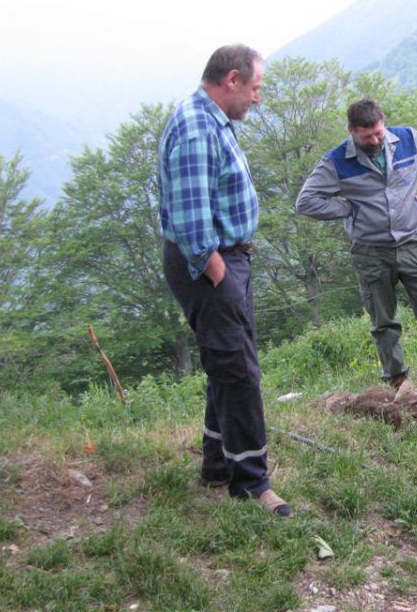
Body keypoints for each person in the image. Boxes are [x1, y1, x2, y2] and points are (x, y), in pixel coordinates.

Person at [158, 44, 291, 516]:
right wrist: (221, 275)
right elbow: (194, 228)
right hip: (210, 265)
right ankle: (251, 482)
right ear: (231, 79)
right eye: (255, 88)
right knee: (239, 370)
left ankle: (217, 462)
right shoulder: (197, 129)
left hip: (226, 259)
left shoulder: (214, 120)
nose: (258, 99)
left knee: (226, 358)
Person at [296, 98, 417, 392]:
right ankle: (397, 381)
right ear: (351, 131)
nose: (373, 140)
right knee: (384, 322)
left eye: (378, 133)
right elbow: (306, 201)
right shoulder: (336, 161)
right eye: (365, 136)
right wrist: (348, 210)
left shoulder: (408, 139)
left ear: (383, 125)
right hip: (370, 251)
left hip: (412, 242)